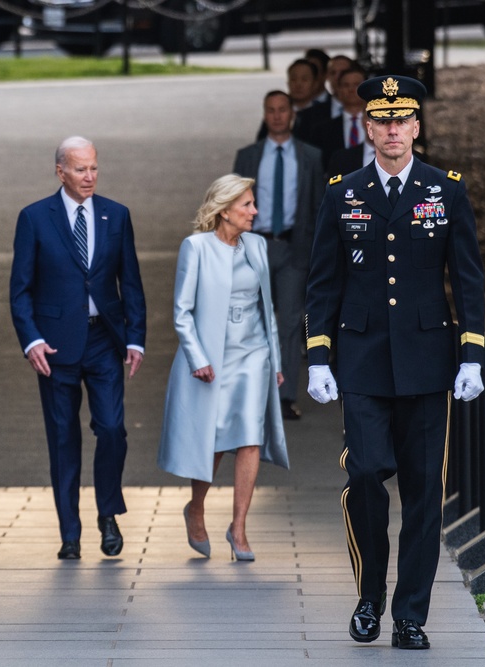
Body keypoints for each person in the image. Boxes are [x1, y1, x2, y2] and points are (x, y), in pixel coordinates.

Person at [305, 75, 485, 650]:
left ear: (415, 127)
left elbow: (468, 281)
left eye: (401, 120)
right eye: (381, 121)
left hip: (429, 363)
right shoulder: (343, 192)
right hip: (361, 363)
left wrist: (472, 355)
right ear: (368, 128)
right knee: (363, 475)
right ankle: (368, 595)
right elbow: (322, 286)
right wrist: (318, 358)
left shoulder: (446, 190)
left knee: (424, 494)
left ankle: (409, 614)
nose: (391, 130)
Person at [9, 136, 147, 561]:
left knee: (111, 428)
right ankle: (70, 532)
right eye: (80, 169)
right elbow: (20, 289)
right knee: (63, 439)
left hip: (104, 339)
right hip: (53, 346)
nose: (89, 177)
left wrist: (136, 337)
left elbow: (132, 282)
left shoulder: (116, 215)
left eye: (94, 168)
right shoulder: (34, 217)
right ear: (60, 171)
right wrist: (31, 339)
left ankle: (108, 512)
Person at [157, 174, 289, 562]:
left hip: (253, 353)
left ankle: (239, 528)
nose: (255, 211)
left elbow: (269, 310)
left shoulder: (258, 246)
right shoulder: (195, 247)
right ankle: (196, 508)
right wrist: (197, 359)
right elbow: (181, 312)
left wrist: (276, 361)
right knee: (213, 439)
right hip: (213, 355)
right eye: (247, 204)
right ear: (224, 209)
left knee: (249, 436)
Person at [234, 90, 324, 421]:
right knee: (251, 320)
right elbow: (232, 205)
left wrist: (314, 249)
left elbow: (317, 205)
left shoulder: (310, 156)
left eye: (282, 110)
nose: (276, 116)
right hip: (255, 244)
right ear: (264, 113)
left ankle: (284, 396)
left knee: (288, 321)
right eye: (270, 110)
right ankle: (252, 393)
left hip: (294, 246)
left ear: (292, 114)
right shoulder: (248, 156)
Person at [308, 65, 368, 171]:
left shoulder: (378, 125)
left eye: (356, 84)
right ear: (338, 89)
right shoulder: (322, 130)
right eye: (346, 85)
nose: (351, 89)